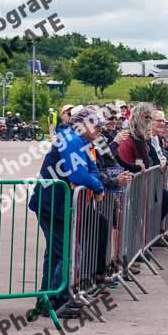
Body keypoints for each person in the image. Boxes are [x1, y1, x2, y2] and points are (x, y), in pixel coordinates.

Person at [29, 107, 105, 318]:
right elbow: (78, 174)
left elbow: (91, 170)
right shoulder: (70, 139)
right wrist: (97, 186)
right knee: (70, 252)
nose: (99, 129)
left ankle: (47, 300)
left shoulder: (81, 141)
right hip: (51, 203)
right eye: (95, 124)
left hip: (57, 205)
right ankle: (56, 300)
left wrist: (94, 183)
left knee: (57, 253)